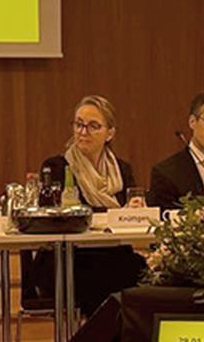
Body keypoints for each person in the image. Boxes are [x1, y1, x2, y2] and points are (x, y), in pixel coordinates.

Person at [27, 95, 144, 316]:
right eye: (79, 124)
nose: (83, 132)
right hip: (66, 258)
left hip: (113, 252)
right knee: (108, 276)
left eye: (93, 126)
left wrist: (136, 210)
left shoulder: (122, 169)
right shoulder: (56, 167)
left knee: (142, 273)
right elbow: (64, 218)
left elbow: (129, 218)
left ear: (109, 134)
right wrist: (116, 215)